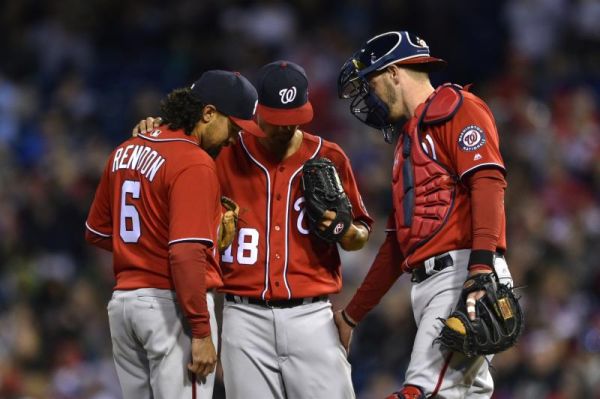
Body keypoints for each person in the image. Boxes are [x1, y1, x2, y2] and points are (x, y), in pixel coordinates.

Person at [136, 60, 373, 399]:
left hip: (312, 316)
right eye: (277, 120)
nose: (285, 129)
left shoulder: (329, 156)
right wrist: (154, 132)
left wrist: (345, 230)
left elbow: (359, 237)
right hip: (243, 318)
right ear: (256, 109)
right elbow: (172, 154)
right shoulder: (223, 152)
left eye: (294, 120)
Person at [335, 31, 515, 399]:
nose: (367, 97)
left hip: (463, 276)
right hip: (433, 284)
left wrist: (480, 270)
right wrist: (352, 314)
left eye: (369, 82)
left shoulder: (457, 107)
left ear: (393, 73)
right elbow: (398, 242)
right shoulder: (408, 141)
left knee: (421, 392)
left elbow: (488, 182)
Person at [85, 70, 264, 399]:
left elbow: (96, 232)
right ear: (208, 113)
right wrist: (200, 329)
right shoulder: (193, 162)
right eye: (234, 127)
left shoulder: (125, 150)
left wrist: (146, 245)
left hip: (124, 308)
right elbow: (184, 253)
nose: (233, 140)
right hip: (171, 308)